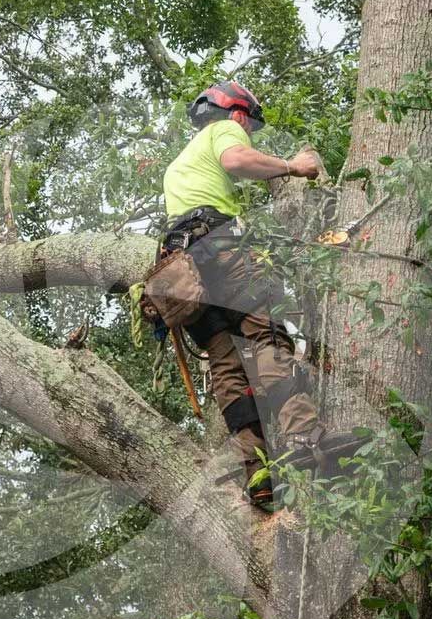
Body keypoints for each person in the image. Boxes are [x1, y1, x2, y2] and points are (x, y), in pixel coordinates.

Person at [145, 80, 351, 509]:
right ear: (237, 112)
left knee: (227, 367)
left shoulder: (180, 164)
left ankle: (257, 472)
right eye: (248, 125)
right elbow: (237, 160)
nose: (247, 133)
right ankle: (305, 436)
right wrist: (294, 166)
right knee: (266, 336)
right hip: (222, 254)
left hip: (184, 276)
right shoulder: (222, 129)